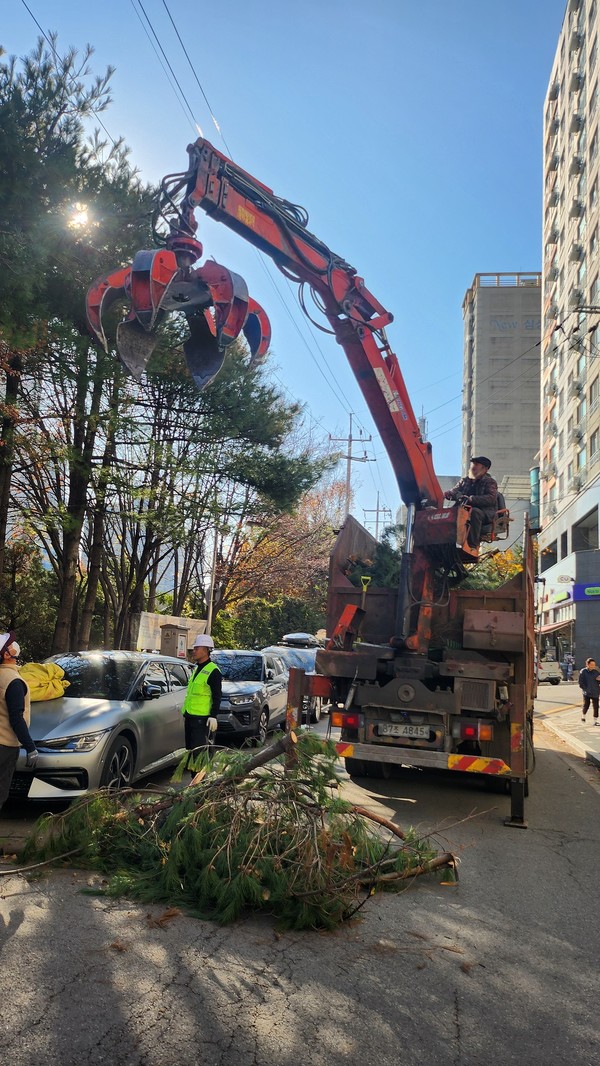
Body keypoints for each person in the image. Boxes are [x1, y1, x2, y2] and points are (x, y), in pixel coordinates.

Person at [0, 632, 38, 813]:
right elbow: (16, 718)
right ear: (7, 654)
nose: (16, 644)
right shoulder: (13, 681)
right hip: (5, 746)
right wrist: (30, 747)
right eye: (12, 643)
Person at [181, 634, 222, 769]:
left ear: (205, 650)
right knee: (192, 754)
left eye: (197, 648)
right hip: (190, 717)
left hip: (202, 720)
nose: (194, 651)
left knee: (200, 757)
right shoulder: (197, 668)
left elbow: (217, 695)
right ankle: (195, 784)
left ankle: (200, 784)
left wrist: (213, 716)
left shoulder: (213, 671)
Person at [444, 455, 498, 549]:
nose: (473, 466)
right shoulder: (465, 481)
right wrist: (447, 494)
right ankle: (447, 542)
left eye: (477, 464)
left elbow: (491, 498)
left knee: (474, 512)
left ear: (485, 469)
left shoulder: (490, 482)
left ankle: (473, 545)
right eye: (473, 464)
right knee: (448, 513)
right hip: (464, 509)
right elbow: (454, 491)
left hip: (484, 512)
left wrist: (472, 499)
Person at [578, 657, 600, 724]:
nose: (593, 666)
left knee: (596, 706)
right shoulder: (583, 671)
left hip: (595, 692)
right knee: (586, 705)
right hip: (586, 692)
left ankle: (595, 721)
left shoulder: (596, 672)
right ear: (587, 664)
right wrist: (585, 689)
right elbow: (580, 682)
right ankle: (583, 716)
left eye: (594, 665)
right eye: (592, 665)